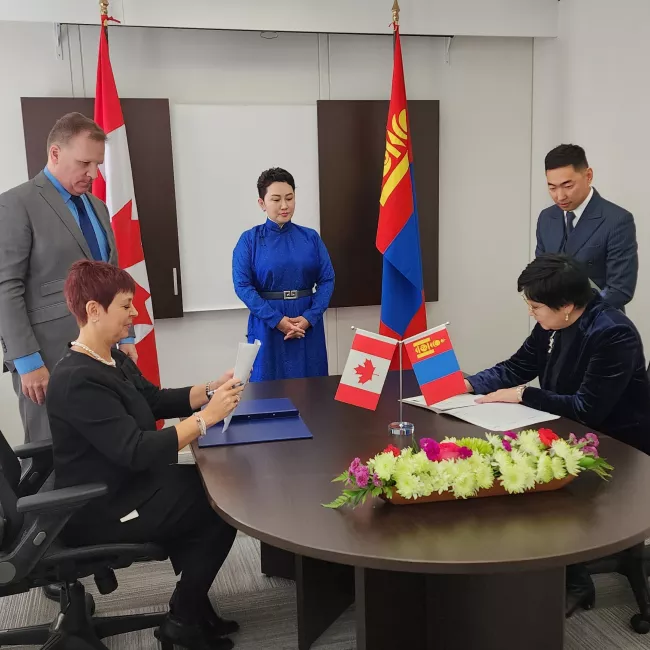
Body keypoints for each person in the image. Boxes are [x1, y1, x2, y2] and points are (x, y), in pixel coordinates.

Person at [46, 260, 245, 650]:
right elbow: (135, 451)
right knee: (217, 506)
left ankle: (190, 607)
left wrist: (209, 389)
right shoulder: (77, 380)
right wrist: (205, 419)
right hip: (98, 508)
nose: (135, 314)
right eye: (125, 306)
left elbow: (153, 400)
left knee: (212, 489)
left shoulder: (110, 357)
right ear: (93, 310)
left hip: (126, 486)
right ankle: (182, 618)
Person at [464, 253, 650, 618]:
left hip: (619, 445)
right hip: (571, 430)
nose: (531, 313)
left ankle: (574, 581)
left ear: (566, 306)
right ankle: (564, 575)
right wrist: (468, 384)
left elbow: (587, 409)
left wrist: (524, 394)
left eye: (535, 306)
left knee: (525, 481)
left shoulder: (612, 333)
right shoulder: (555, 323)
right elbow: (520, 365)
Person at [0, 112, 137, 444]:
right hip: (47, 359)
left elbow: (114, 281)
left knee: (107, 449)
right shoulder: (15, 204)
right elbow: (6, 288)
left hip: (103, 354)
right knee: (54, 457)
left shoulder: (98, 207)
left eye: (97, 164)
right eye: (84, 163)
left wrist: (127, 337)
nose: (92, 174)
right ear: (55, 154)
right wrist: (26, 361)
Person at [232, 167, 335, 381]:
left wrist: (310, 317)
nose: (285, 206)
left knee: (312, 388)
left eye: (290, 198)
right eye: (276, 199)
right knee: (267, 388)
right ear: (262, 203)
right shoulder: (249, 240)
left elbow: (327, 279)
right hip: (267, 323)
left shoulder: (310, 237)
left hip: (306, 322)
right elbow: (243, 286)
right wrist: (277, 320)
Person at [535, 144, 638, 310]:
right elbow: (540, 274)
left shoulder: (617, 220)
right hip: (553, 323)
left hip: (598, 324)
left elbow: (620, 289)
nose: (560, 196)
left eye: (568, 186)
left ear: (588, 176)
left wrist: (571, 313)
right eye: (552, 187)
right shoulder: (546, 218)